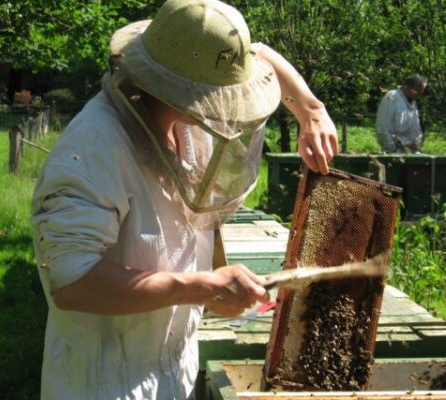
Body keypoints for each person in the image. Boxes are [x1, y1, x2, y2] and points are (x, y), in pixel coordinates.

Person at [30, 0, 338, 398]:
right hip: (105, 382)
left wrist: (312, 110)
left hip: (173, 371)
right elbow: (73, 282)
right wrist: (200, 286)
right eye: (219, 93)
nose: (227, 104)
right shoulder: (93, 148)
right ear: (183, 88)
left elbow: (258, 54)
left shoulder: (184, 117)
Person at [375, 74, 427, 153]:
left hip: (410, 153)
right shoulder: (392, 98)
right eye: (419, 91)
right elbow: (383, 128)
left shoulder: (413, 102)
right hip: (395, 153)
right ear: (410, 88)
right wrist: (392, 150)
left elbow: (416, 129)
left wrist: (416, 147)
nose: (421, 94)